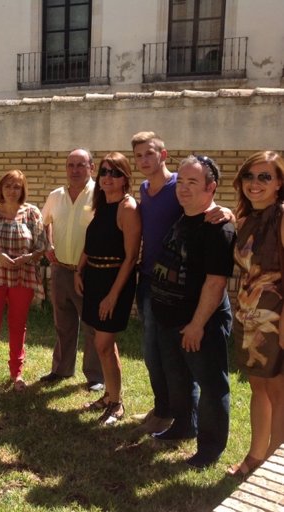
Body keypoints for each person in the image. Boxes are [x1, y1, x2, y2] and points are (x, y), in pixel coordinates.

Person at [131, 131, 232, 434]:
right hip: (152, 283)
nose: (143, 160)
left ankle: (187, 424)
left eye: (150, 153)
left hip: (187, 298)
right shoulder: (145, 189)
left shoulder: (181, 183)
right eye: (138, 155)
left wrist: (227, 212)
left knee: (192, 367)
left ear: (163, 155)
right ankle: (168, 412)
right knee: (157, 356)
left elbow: (210, 205)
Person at [150, 155, 236, 469]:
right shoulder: (186, 215)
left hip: (199, 322)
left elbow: (215, 283)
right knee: (179, 378)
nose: (183, 188)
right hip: (169, 318)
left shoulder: (217, 228)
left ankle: (210, 449)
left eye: (193, 182)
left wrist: (198, 324)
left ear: (211, 188)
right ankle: (184, 425)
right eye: (181, 181)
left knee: (212, 384)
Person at [228, 151, 284, 477]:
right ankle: (256, 456)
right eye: (250, 176)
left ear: (279, 183)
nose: (255, 183)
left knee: (278, 393)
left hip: (275, 317)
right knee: (258, 387)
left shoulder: (281, 216)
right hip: (249, 315)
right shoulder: (245, 220)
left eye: (265, 177)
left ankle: (274, 471)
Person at [74, 153, 141, 425]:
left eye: (114, 172)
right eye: (104, 172)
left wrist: (113, 295)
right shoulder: (102, 204)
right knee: (103, 343)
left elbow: (131, 256)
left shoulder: (128, 207)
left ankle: (116, 404)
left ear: (125, 177)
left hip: (115, 282)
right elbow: (91, 245)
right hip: (94, 278)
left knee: (103, 343)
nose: (107, 177)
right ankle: (109, 395)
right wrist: (79, 270)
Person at [0, 170, 47, 391]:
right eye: (8, 186)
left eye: (17, 187)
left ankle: (17, 374)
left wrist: (27, 258)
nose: (12, 191)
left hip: (23, 276)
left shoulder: (32, 213)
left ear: (23, 190)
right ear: (0, 188)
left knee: (17, 325)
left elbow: (42, 246)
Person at [40, 148, 104, 392]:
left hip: (88, 272)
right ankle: (61, 369)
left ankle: (96, 376)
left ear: (91, 167)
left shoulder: (100, 194)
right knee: (63, 323)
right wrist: (48, 245)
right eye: (70, 165)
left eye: (80, 165)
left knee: (91, 325)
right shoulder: (56, 196)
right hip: (60, 270)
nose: (75, 170)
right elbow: (44, 222)